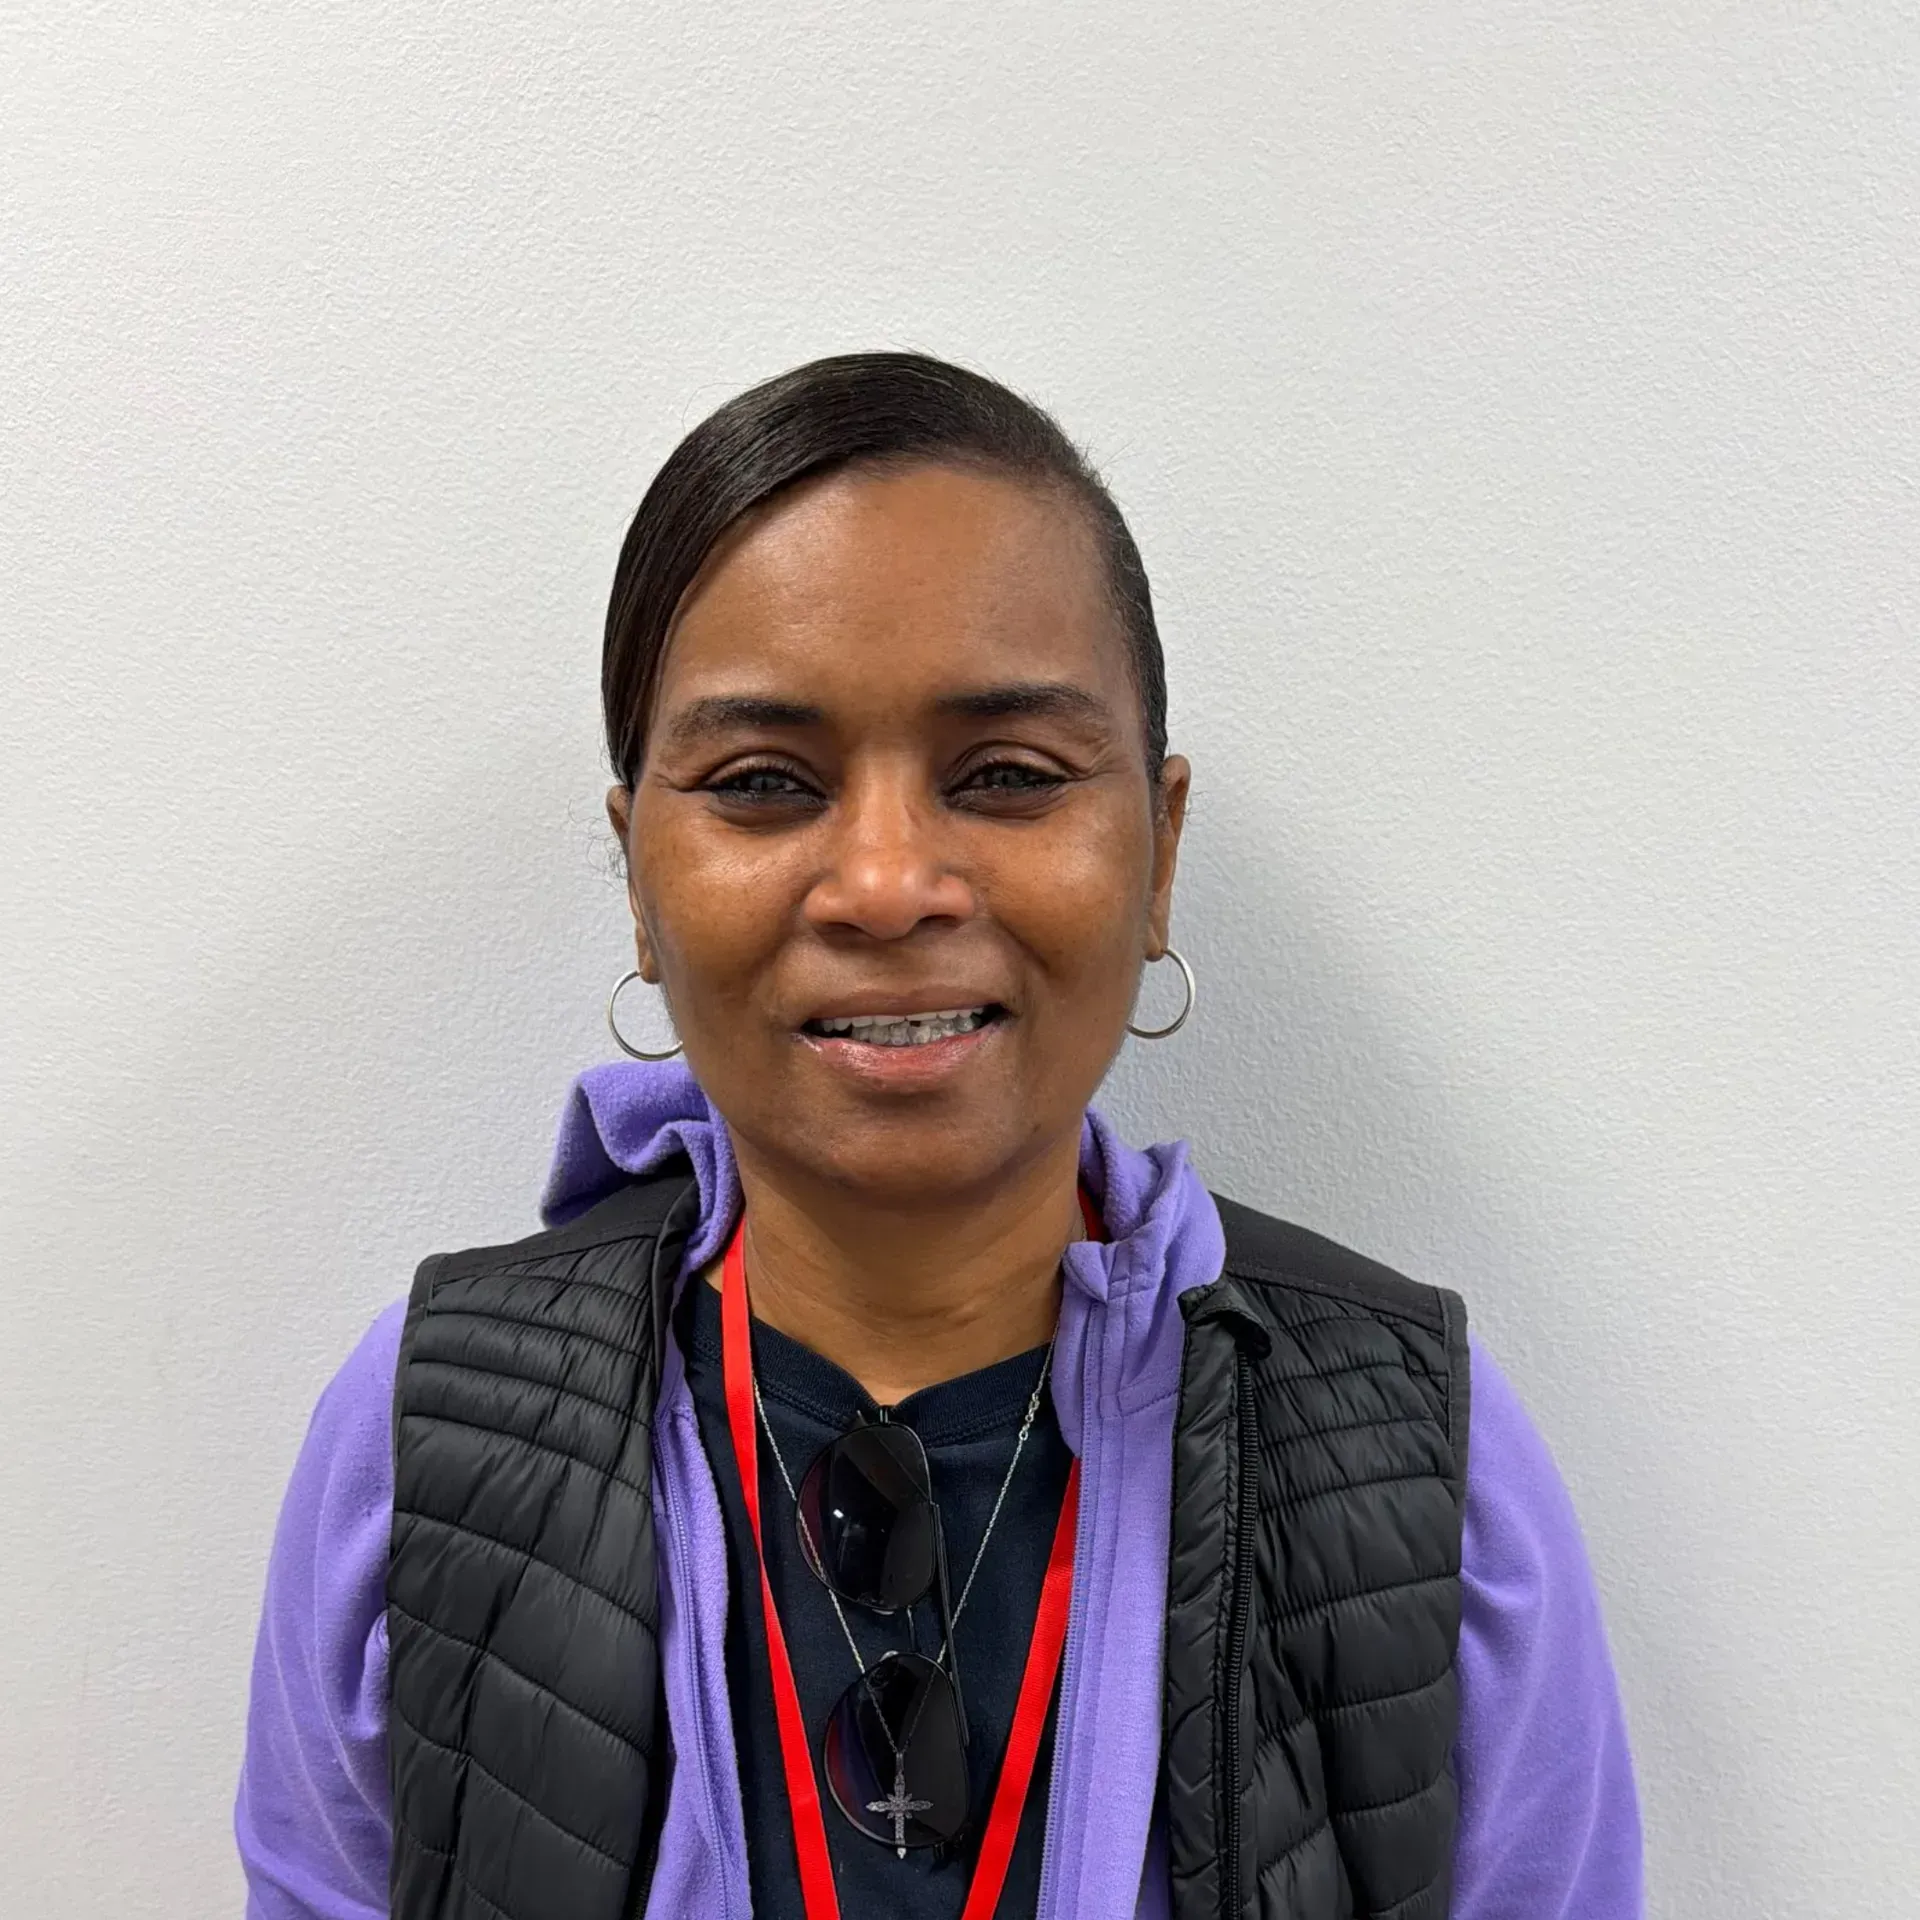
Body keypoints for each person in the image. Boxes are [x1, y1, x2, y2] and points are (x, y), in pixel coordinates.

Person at [235, 352, 1643, 1920]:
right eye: (765, 783)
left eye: (1008, 777)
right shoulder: (426, 1440)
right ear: (640, 875)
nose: (888, 884)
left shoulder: (1409, 1460)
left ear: (1159, 849)